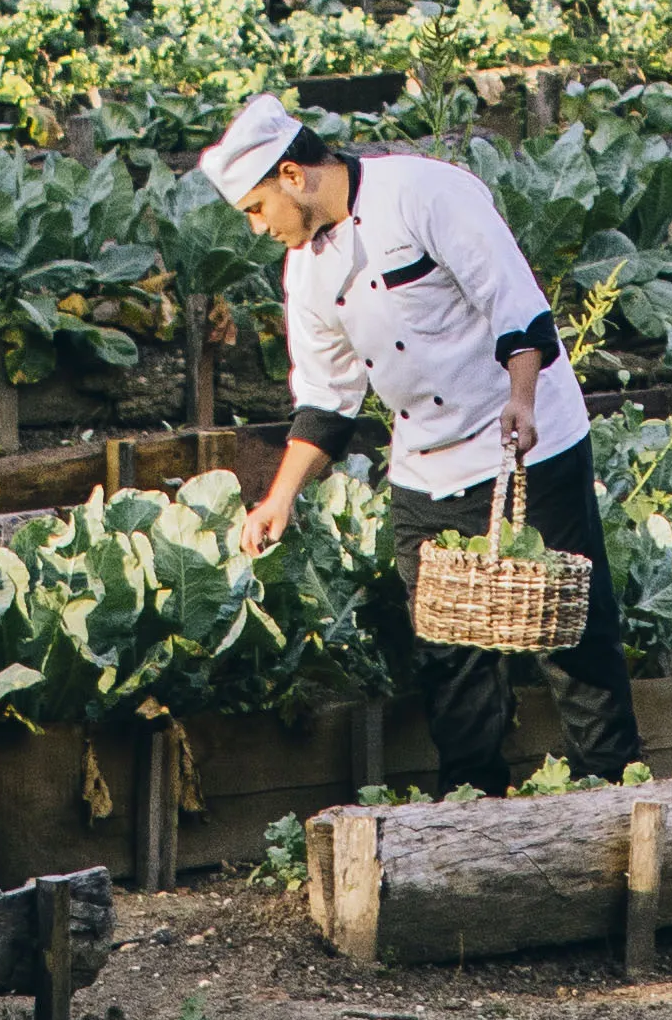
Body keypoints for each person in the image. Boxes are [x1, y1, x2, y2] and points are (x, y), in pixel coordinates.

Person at [195, 92, 633, 782]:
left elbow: (514, 303)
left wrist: (521, 400)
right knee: (446, 647)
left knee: (569, 633)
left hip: (523, 439)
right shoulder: (305, 271)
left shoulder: (424, 193)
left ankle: (612, 792)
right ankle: (471, 811)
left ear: (291, 176)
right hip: (425, 462)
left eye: (255, 209)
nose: (256, 228)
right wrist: (279, 499)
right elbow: (326, 403)